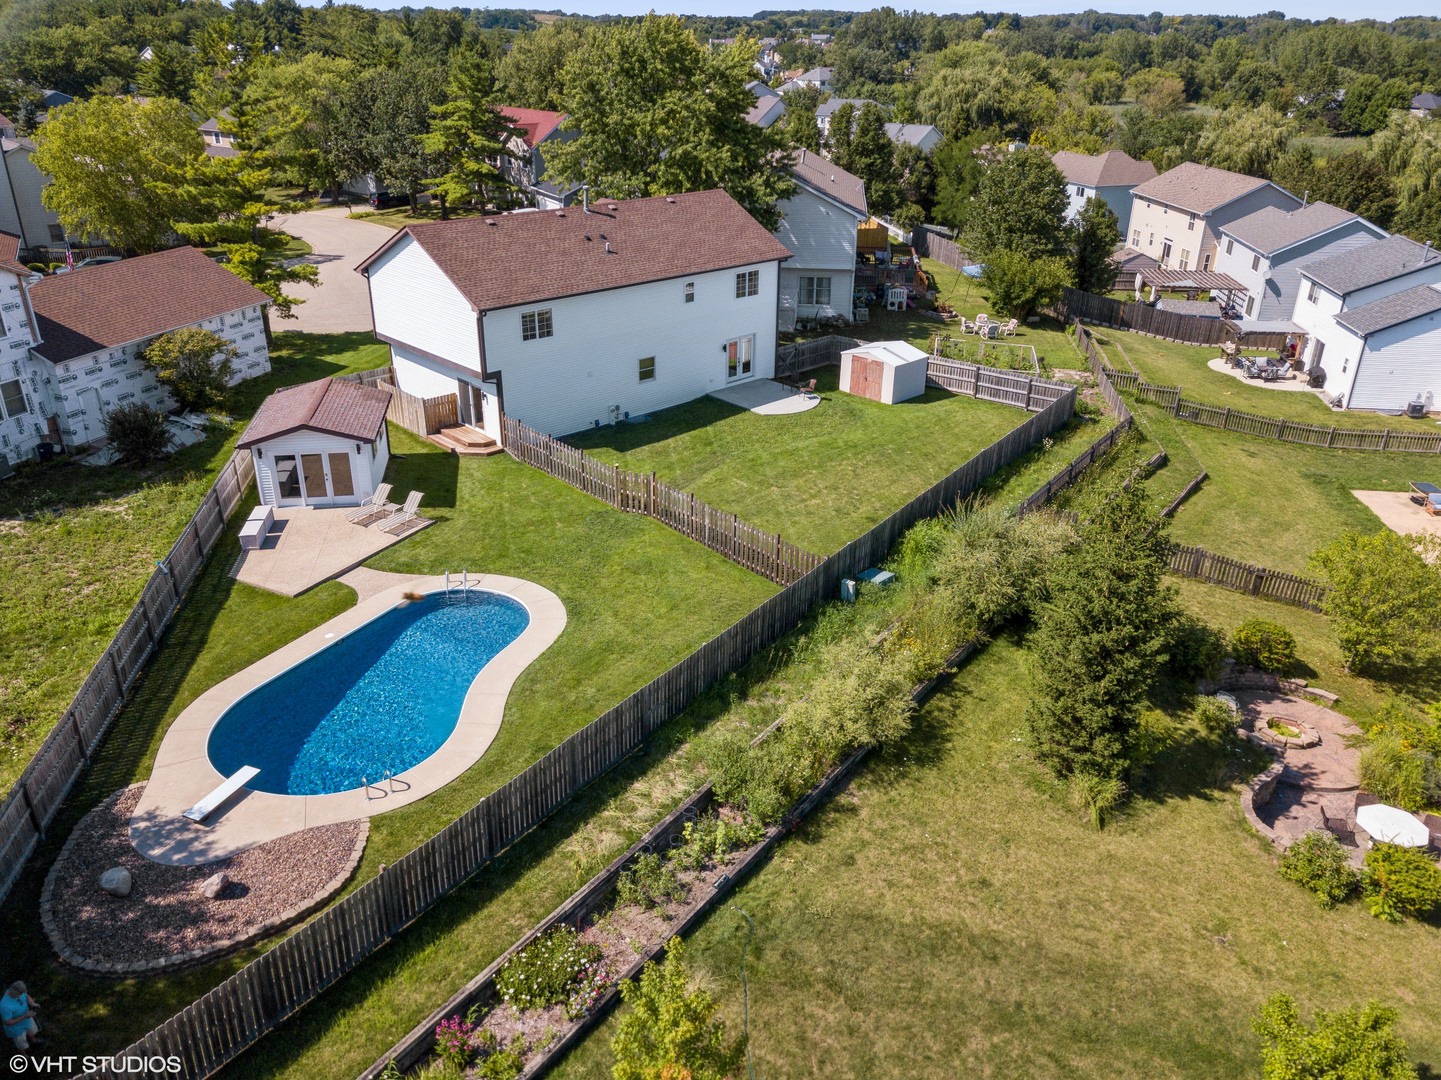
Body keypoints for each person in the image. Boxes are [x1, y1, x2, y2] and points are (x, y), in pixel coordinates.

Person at [1, 981, 42, 1051]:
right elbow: (7, 1022)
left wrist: (33, 1004)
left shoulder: (19, 992)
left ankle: (34, 1041)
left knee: (32, 1033)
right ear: (14, 992)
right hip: (17, 1029)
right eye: (20, 994)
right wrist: (24, 1016)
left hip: (27, 1020)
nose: (22, 995)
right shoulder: (5, 1006)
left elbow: (27, 996)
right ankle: (24, 1055)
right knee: (21, 1044)